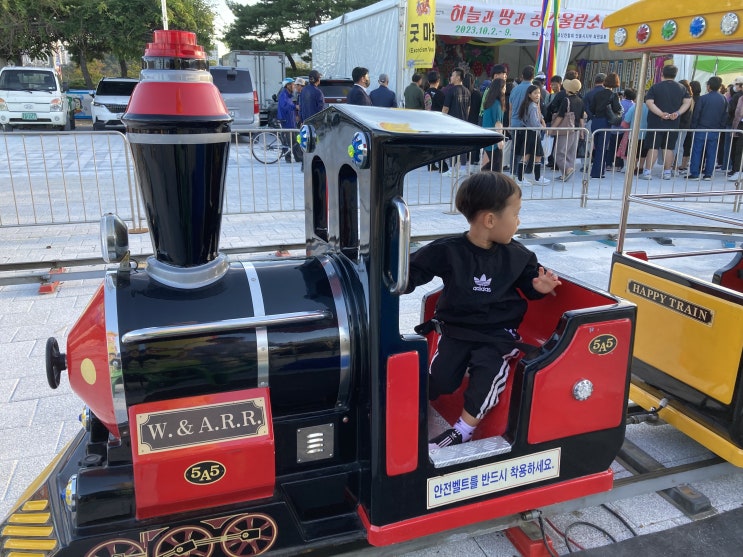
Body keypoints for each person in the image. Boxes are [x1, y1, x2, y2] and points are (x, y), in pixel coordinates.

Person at [405, 172, 561, 450]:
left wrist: (540, 287)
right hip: (457, 330)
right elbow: (411, 272)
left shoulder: (519, 256)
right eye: (516, 214)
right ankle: (409, 404)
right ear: (490, 220)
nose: (518, 222)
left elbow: (531, 284)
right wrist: (392, 278)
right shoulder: (448, 250)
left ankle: (463, 430)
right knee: (441, 378)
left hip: (497, 334)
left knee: (488, 372)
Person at [641, 64, 691, 180]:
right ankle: (667, 172)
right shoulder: (682, 88)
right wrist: (677, 113)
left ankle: (648, 172)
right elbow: (687, 102)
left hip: (655, 122)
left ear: (662, 74)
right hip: (673, 122)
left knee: (653, 147)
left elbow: (649, 103)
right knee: (669, 148)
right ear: (675, 75)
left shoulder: (655, 87)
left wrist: (661, 113)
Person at [688, 76, 728, 181]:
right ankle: (708, 174)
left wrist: (693, 127)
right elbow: (725, 116)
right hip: (715, 129)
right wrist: (721, 127)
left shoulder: (703, 98)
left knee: (697, 151)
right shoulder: (723, 99)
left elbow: (696, 114)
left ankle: (695, 173)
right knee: (712, 152)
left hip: (701, 128)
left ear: (708, 86)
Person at [588, 72, 623, 179]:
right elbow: (617, 108)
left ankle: (597, 170)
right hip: (605, 122)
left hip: (595, 121)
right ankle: (597, 172)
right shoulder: (614, 95)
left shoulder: (597, 94)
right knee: (602, 148)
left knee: (597, 147)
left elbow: (591, 108)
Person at [515, 84, 550, 185]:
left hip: (529, 132)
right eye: (535, 93)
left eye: (538, 93)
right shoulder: (533, 106)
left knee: (534, 155)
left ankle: (532, 178)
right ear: (529, 95)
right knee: (530, 155)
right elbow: (534, 122)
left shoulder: (529, 104)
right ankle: (524, 178)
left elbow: (538, 116)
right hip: (532, 132)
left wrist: (541, 121)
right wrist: (543, 127)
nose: (537, 95)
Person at [551, 78, 585, 182]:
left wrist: (552, 128)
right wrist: (582, 131)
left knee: (559, 152)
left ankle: (567, 169)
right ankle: (565, 174)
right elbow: (581, 118)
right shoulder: (580, 100)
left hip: (566, 129)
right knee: (571, 154)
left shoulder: (566, 100)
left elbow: (560, 116)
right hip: (576, 129)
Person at [442, 68, 471, 172]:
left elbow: (445, 108)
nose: (451, 77)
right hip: (463, 122)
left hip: (452, 122)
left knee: (452, 145)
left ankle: (451, 168)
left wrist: (442, 120)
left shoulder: (451, 91)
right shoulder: (467, 91)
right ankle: (463, 167)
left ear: (458, 77)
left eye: (452, 75)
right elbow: (468, 108)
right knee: (462, 144)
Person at [509, 65, 536, 174]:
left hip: (514, 122)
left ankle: (513, 172)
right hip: (527, 124)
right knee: (524, 150)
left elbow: (510, 108)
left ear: (522, 76)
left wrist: (510, 123)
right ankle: (520, 173)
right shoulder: (534, 90)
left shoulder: (515, 89)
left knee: (514, 148)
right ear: (533, 76)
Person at [299, 70, 325, 170]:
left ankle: (304, 165)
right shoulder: (318, 92)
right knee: (315, 146)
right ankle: (313, 166)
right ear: (318, 80)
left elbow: (301, 107)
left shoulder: (304, 90)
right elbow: (321, 110)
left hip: (305, 123)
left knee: (306, 144)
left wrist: (302, 120)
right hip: (315, 124)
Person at [480, 78, 506, 172]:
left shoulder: (489, 102)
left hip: (488, 138)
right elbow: (498, 123)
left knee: (491, 164)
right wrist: (500, 139)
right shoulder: (496, 104)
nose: (505, 89)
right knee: (497, 166)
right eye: (504, 86)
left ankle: (481, 176)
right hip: (494, 139)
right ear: (500, 88)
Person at [277, 77, 297, 163]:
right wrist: (295, 107)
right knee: (288, 140)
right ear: (287, 85)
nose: (294, 86)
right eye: (292, 84)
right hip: (285, 120)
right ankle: (288, 158)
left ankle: (297, 157)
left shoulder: (288, 95)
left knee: (293, 140)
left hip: (290, 120)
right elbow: (285, 106)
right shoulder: (283, 95)